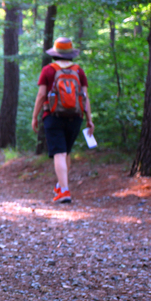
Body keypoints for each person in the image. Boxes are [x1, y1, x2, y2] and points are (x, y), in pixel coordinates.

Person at [31, 37, 95, 203]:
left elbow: (41, 95)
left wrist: (35, 116)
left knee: (59, 153)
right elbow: (85, 96)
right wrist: (89, 119)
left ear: (55, 53)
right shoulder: (79, 71)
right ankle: (61, 185)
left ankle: (64, 191)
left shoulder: (48, 70)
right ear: (71, 54)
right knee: (65, 152)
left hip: (53, 116)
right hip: (76, 117)